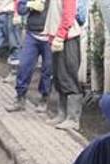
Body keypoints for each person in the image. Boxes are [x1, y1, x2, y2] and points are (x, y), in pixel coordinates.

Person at [5, 0, 52, 112]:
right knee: (24, 66)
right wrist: (30, 4)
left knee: (48, 70)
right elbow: (20, 8)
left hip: (50, 36)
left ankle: (44, 98)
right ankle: (20, 98)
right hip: (32, 34)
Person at [43, 0, 83, 130]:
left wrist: (60, 35)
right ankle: (62, 114)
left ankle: (73, 118)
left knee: (69, 77)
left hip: (67, 39)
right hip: (57, 39)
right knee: (59, 78)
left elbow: (68, 15)